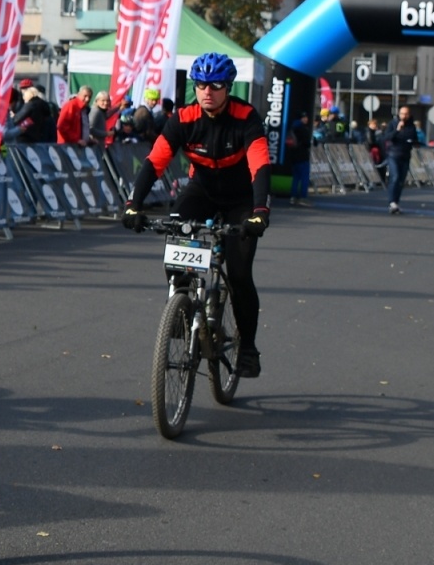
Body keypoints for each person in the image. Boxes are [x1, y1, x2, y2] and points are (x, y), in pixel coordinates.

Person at [122, 51, 271, 378]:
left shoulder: (246, 117)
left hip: (241, 199)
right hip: (201, 191)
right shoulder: (184, 118)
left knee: (240, 273)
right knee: (177, 249)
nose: (207, 91)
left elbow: (259, 164)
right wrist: (134, 203)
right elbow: (155, 161)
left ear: (228, 87)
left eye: (215, 85)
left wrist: (260, 211)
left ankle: (248, 347)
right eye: (201, 84)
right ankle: (184, 308)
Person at [384, 104, 419, 214]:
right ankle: (391, 202)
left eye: (406, 114)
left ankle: (396, 202)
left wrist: (414, 143)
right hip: (393, 154)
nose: (404, 116)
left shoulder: (411, 126)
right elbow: (387, 137)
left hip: (405, 155)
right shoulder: (393, 124)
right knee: (395, 177)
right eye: (402, 114)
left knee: (400, 181)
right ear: (399, 114)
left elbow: (414, 139)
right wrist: (397, 130)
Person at [285, 106, 313, 206]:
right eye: (304, 117)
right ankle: (303, 197)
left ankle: (292, 197)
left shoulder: (292, 127)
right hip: (302, 155)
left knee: (296, 178)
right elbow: (307, 143)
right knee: (304, 177)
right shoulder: (302, 128)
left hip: (293, 155)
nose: (306, 119)